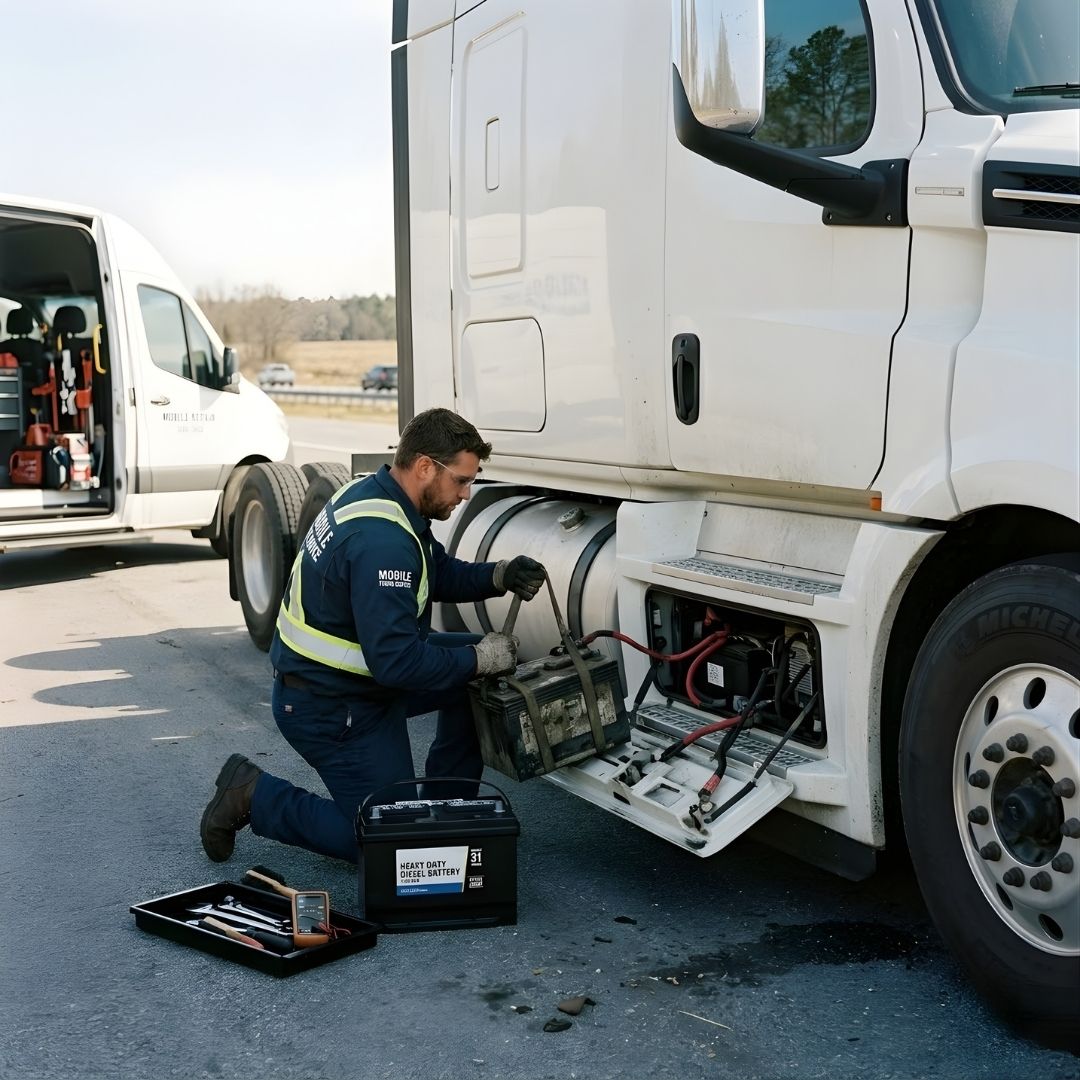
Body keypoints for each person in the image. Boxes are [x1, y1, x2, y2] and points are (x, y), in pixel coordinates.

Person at [199, 407, 546, 864]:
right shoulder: (381, 542)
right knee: (389, 845)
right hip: (331, 706)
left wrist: (497, 575)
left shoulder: (377, 496)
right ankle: (253, 794)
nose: (465, 494)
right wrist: (481, 658)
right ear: (425, 467)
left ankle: (445, 812)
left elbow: (433, 571)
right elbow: (399, 664)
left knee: (472, 674)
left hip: (358, 681)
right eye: (461, 481)